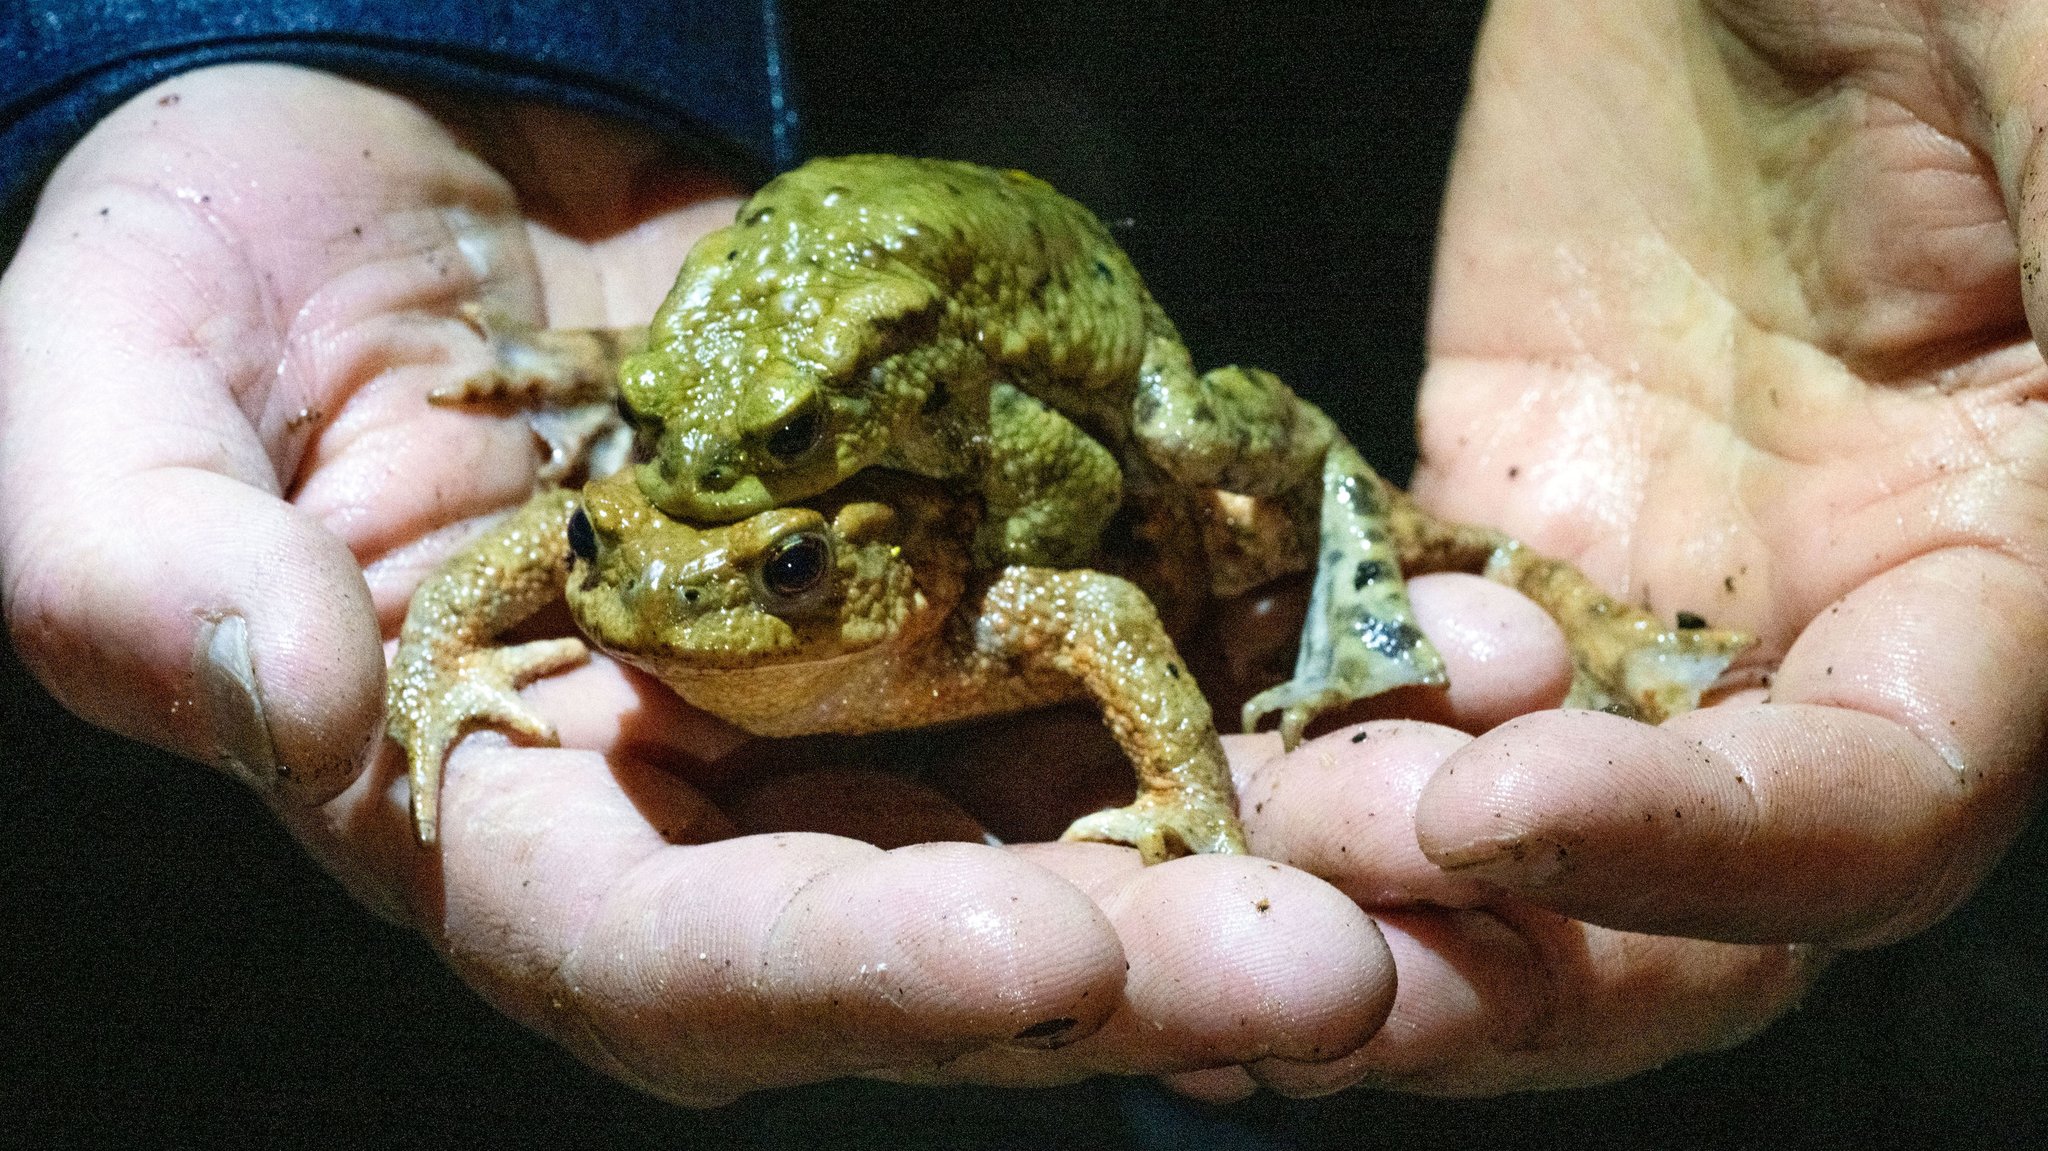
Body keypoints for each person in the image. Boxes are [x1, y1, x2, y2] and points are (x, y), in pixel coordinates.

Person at [1, 0, 2038, 1107]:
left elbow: (1080, 564)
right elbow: (574, 524)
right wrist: (363, 30)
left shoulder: (979, 554)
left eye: (784, 556)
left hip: (1301, 252)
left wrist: (1181, 794)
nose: (678, 577)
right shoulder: (676, 498)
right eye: (636, 536)